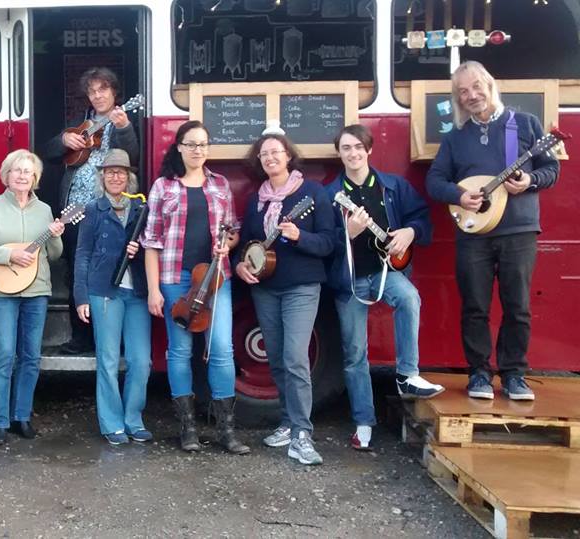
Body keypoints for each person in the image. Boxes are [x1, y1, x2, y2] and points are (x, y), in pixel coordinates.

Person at [426, 61, 560, 401]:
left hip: (519, 230)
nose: (471, 96)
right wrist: (459, 195)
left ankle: (514, 375)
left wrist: (529, 181)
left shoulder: (525, 125)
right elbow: (435, 181)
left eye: (475, 87)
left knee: (517, 306)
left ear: (489, 84)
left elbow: (551, 170)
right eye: (462, 92)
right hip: (474, 233)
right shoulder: (455, 137)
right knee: (474, 306)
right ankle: (479, 374)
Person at [324, 124, 443, 451]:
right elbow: (321, 244)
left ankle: (408, 374)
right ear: (339, 153)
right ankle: (364, 422)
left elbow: (423, 219)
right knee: (355, 354)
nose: (353, 153)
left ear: (369, 150)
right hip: (349, 281)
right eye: (346, 148)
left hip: (385, 270)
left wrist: (410, 233)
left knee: (408, 297)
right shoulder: (329, 194)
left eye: (358, 147)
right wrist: (346, 233)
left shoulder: (393, 186)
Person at [142, 120, 249, 455]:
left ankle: (226, 432)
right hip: (175, 279)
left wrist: (228, 245)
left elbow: (233, 230)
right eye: (191, 144)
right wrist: (153, 290)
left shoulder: (220, 185)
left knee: (221, 350)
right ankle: (187, 429)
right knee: (180, 351)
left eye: (202, 144)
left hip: (216, 279)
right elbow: (151, 242)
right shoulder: (163, 186)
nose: (197, 150)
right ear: (179, 147)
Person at [234, 133, 333, 466]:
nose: (270, 158)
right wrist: (241, 266)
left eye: (276, 152)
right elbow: (248, 243)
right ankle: (288, 423)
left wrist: (299, 235)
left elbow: (328, 244)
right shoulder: (256, 200)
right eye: (264, 154)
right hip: (264, 288)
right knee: (276, 358)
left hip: (301, 287)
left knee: (295, 358)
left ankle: (303, 434)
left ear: (289, 156)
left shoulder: (311, 194)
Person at [0, 149, 65, 446]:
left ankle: (22, 416)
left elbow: (54, 256)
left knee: (31, 356)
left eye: (28, 171)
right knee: (4, 353)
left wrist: (55, 234)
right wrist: (9, 255)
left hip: (36, 291)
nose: (22, 175)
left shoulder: (44, 210)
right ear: (7, 175)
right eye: (17, 170)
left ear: (35, 178)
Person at [43, 67, 140, 355]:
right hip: (74, 208)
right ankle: (80, 338)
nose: (98, 96)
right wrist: (63, 141)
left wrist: (123, 128)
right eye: (92, 91)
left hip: (108, 208)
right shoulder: (81, 122)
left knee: (111, 269)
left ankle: (111, 340)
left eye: (103, 90)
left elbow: (133, 156)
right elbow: (47, 152)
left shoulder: (124, 119)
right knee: (77, 270)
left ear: (114, 93)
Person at [73, 149, 152, 445]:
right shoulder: (94, 209)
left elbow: (155, 246)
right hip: (103, 291)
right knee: (107, 360)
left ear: (129, 177)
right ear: (102, 177)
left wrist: (140, 250)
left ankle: (133, 418)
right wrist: (81, 296)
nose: (115, 176)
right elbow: (82, 254)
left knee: (140, 360)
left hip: (138, 292)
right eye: (109, 172)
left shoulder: (141, 208)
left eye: (120, 172)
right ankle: (111, 423)